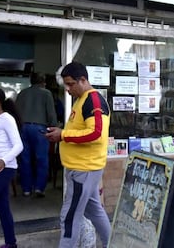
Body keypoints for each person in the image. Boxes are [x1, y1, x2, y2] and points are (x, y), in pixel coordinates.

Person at [45, 61, 111, 248]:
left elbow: (96, 133)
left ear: (83, 80)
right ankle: (112, 243)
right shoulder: (82, 100)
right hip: (81, 168)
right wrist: (60, 133)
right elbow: (83, 130)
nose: (67, 89)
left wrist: (63, 134)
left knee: (70, 216)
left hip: (84, 169)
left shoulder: (93, 100)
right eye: (66, 84)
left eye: (71, 84)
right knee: (94, 211)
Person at [0, 86, 23, 248]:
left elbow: (18, 145)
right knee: (2, 207)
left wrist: (4, 160)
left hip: (4, 168)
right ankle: (11, 243)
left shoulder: (6, 118)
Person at [15, 72, 57, 197]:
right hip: (40, 129)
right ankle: (39, 188)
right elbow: (51, 114)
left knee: (25, 160)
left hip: (23, 128)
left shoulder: (22, 93)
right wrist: (54, 126)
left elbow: (16, 112)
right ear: (43, 82)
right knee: (41, 159)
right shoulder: (46, 93)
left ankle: (26, 189)